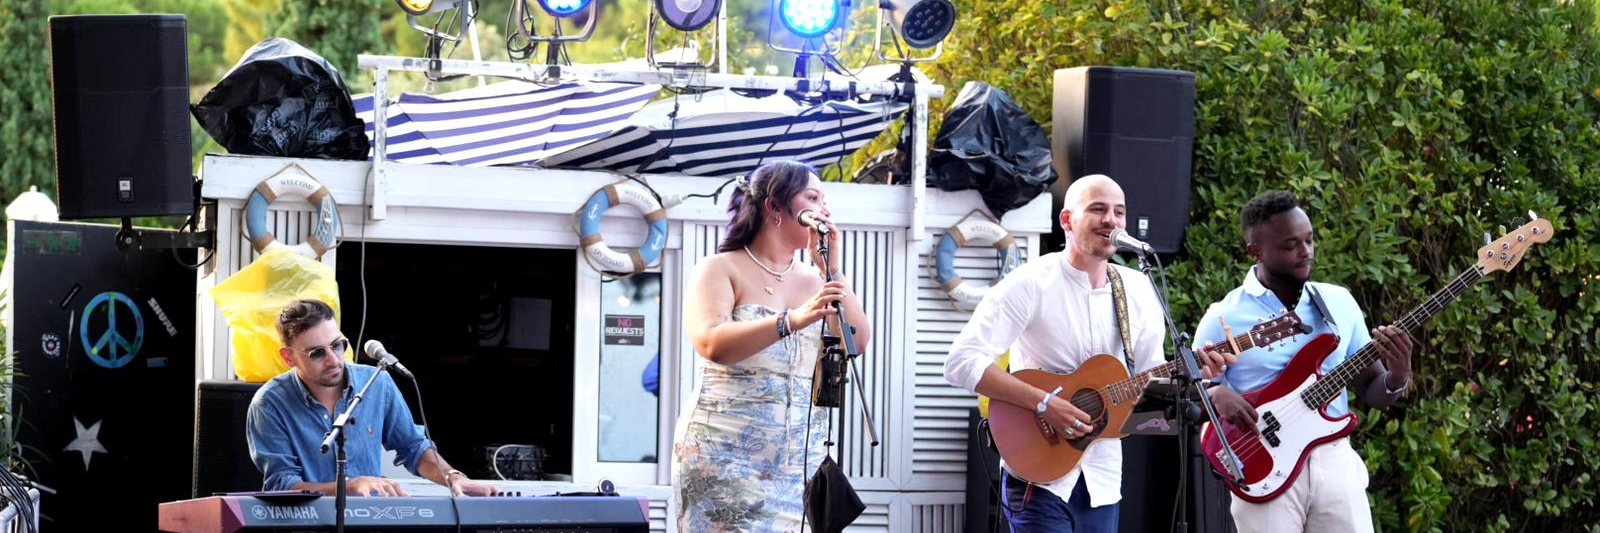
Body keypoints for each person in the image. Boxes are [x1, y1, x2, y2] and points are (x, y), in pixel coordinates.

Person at [944, 175, 1231, 532]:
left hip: (1103, 480)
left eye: (1119, 212)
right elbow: (961, 361)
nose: (1111, 220)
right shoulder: (1031, 283)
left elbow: (1151, 388)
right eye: (1098, 209)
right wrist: (1045, 403)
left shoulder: (1139, 289)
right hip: (1038, 474)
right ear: (1067, 221)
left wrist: (1197, 372)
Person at [1192, 190, 1413, 533]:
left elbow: (1373, 390)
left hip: (1334, 459)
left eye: (1309, 240)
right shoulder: (1223, 317)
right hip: (1264, 462)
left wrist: (1398, 375)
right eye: (1290, 245)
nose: (1305, 252)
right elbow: (1192, 393)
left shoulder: (1338, 302)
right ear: (1256, 251)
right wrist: (1216, 396)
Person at [673, 160, 873, 532]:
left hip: (799, 458)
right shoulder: (720, 268)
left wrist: (833, 270)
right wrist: (792, 320)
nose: (824, 209)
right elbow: (710, 341)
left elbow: (856, 341)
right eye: (812, 197)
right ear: (775, 207)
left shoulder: (817, 279)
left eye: (825, 199)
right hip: (725, 451)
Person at [246, 298, 501, 497]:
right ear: (288, 357)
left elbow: (413, 448)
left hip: (369, 523)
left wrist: (454, 476)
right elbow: (282, 486)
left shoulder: (377, 383)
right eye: (316, 353)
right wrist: (348, 486)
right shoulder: (268, 404)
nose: (334, 359)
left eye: (338, 345)